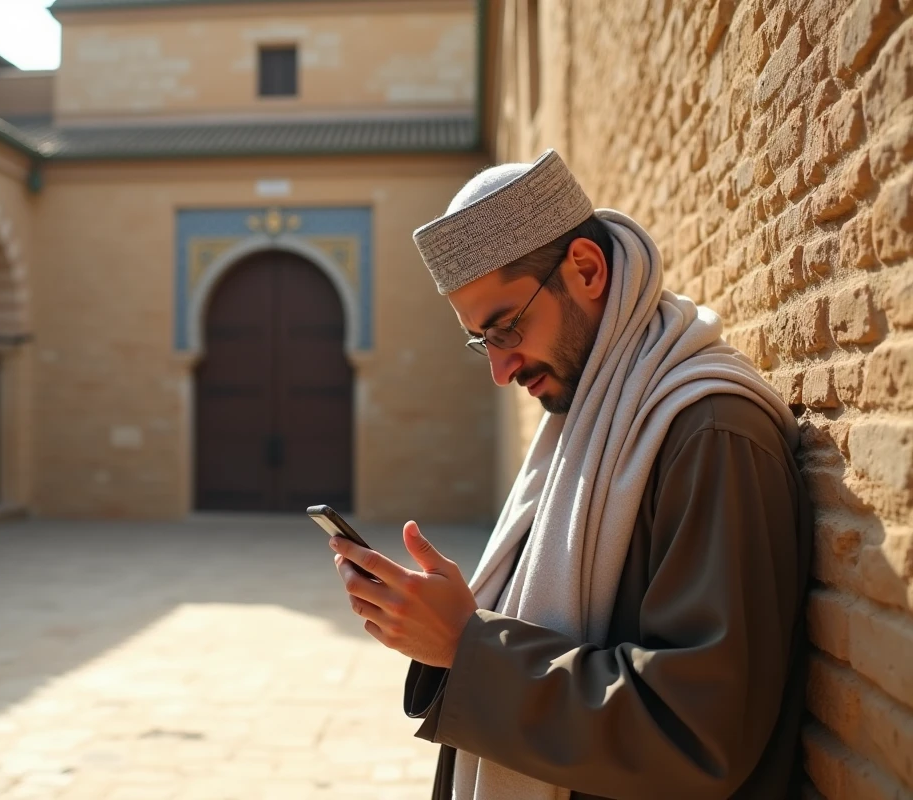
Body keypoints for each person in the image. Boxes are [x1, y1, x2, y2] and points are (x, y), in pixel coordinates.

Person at [327, 149, 812, 799]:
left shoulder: (712, 435)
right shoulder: (586, 425)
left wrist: (470, 647)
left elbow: (697, 733)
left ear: (585, 269)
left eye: (506, 328)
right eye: (482, 342)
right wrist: (444, 628)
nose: (500, 370)